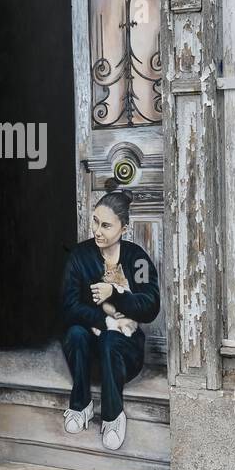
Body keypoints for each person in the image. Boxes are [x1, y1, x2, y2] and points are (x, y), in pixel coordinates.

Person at [59, 183, 160, 451]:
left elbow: (150, 306)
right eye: (95, 222)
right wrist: (104, 322)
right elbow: (68, 307)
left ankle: (113, 417)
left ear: (123, 229)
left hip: (123, 355)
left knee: (111, 342)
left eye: (106, 226)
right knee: (76, 333)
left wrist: (114, 292)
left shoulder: (136, 260)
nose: (97, 230)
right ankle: (80, 406)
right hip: (89, 355)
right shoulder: (80, 257)